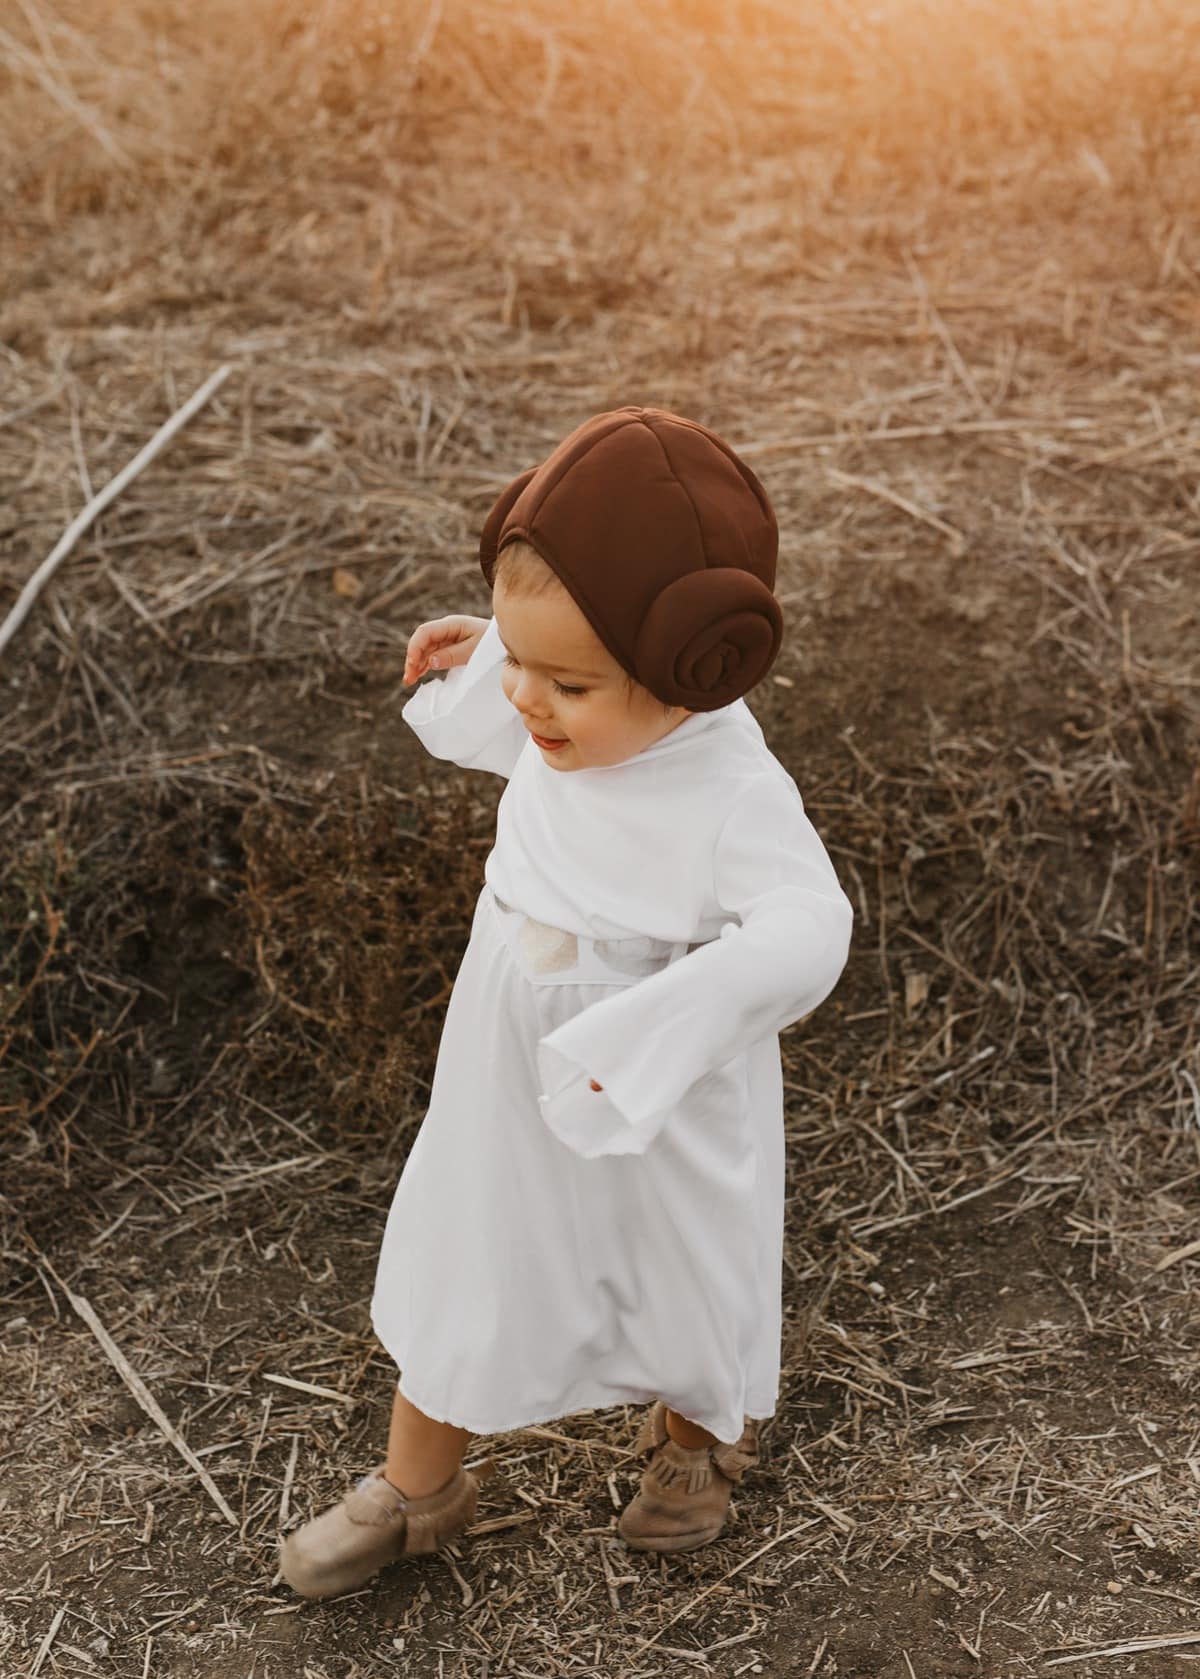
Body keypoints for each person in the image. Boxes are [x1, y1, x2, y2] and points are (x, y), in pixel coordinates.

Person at [279, 406, 853, 1600]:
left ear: (697, 663)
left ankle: (694, 1440)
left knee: (679, 1252)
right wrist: (497, 650)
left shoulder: (732, 789)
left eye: (566, 679)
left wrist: (682, 1011)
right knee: (470, 1234)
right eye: (521, 666)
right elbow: (524, 700)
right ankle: (420, 1483)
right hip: (506, 1051)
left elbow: (811, 926)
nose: (529, 703)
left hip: (660, 1079)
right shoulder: (569, 725)